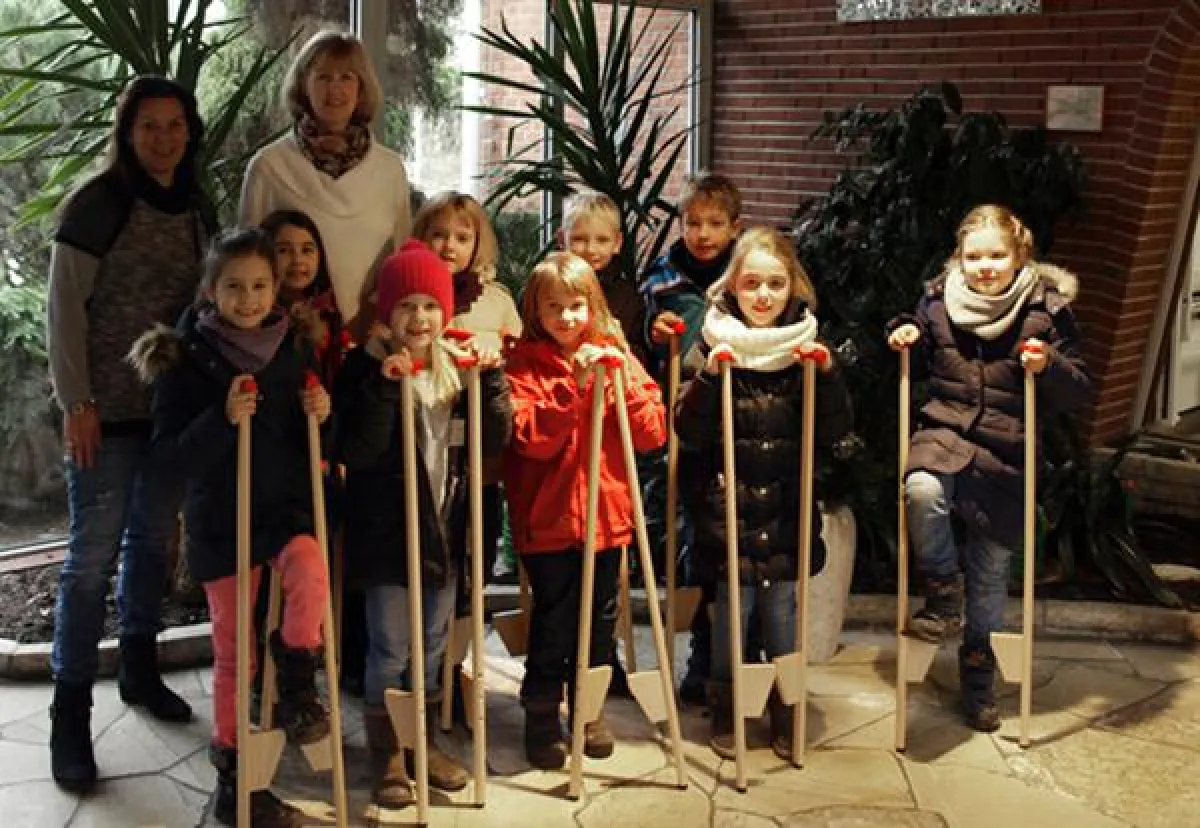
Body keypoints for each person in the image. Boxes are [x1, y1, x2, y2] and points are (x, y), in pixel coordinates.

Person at [45, 74, 215, 794]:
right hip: (103, 415)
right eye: (150, 125)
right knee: (90, 560)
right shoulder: (96, 204)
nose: (164, 138)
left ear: (190, 131)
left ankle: (139, 668)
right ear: (127, 130)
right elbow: (64, 309)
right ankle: (69, 712)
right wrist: (75, 399)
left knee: (151, 542)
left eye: (176, 125)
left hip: (169, 413)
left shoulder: (198, 208)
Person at [131, 228, 333, 827]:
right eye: (235, 287)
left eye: (261, 286)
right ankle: (236, 779)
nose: (249, 299)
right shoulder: (185, 359)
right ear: (209, 289)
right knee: (231, 651)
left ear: (278, 290)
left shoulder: (292, 349)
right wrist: (221, 421)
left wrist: (321, 413)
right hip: (221, 520)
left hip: (283, 510)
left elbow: (308, 439)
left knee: (310, 571)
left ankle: (297, 675)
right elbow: (169, 459)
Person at [887, 204, 1092, 731]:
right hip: (946, 430)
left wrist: (1047, 366)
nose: (985, 265)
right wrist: (906, 331)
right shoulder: (937, 302)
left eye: (996, 254)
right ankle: (940, 587)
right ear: (959, 257)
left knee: (991, 568)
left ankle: (978, 672)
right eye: (974, 255)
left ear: (1018, 255)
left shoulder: (1046, 309)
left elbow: (1077, 389)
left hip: (1009, 447)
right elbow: (919, 335)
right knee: (921, 488)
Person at [335, 240, 513, 808]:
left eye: (430, 306)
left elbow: (494, 441)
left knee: (434, 641)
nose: (419, 318)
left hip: (444, 527)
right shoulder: (362, 368)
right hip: (388, 533)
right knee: (390, 643)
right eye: (407, 305)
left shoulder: (455, 370)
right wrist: (387, 385)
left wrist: (493, 382)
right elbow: (357, 450)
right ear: (386, 312)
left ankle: (425, 740)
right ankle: (386, 749)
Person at [674, 227, 852, 760]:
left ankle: (784, 700)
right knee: (733, 609)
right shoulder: (712, 343)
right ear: (733, 286)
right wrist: (707, 380)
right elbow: (691, 431)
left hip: (785, 508)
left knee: (781, 610)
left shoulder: (804, 351)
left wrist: (828, 376)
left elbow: (834, 427)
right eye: (752, 283)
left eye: (775, 284)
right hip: (730, 509)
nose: (763, 296)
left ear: (794, 288)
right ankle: (730, 701)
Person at [503, 252, 667, 770]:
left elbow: (651, 432)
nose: (567, 318)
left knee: (599, 621)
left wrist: (619, 383)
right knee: (554, 619)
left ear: (593, 306)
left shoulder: (614, 353)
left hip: (606, 516)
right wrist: (573, 393)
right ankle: (541, 712)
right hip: (548, 521)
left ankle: (589, 708)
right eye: (554, 307)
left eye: (576, 306)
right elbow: (528, 438)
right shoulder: (523, 365)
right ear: (536, 310)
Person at [639, 171, 745, 704]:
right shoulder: (661, 277)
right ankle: (693, 654)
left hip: (735, 422)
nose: (703, 234)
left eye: (715, 224)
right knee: (683, 540)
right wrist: (654, 332)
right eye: (693, 223)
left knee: (719, 541)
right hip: (680, 421)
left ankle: (716, 657)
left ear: (734, 227)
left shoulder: (748, 278)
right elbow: (642, 330)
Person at [239, 29, 411, 334]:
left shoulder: (390, 170)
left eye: (347, 77)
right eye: (323, 77)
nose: (335, 89)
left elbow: (400, 261)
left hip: (371, 342)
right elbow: (247, 263)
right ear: (304, 86)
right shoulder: (269, 167)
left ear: (361, 88)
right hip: (289, 341)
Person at [261, 209, 345, 387]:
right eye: (284, 250)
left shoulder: (329, 311)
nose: (298, 259)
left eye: (307, 250)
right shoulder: (257, 315)